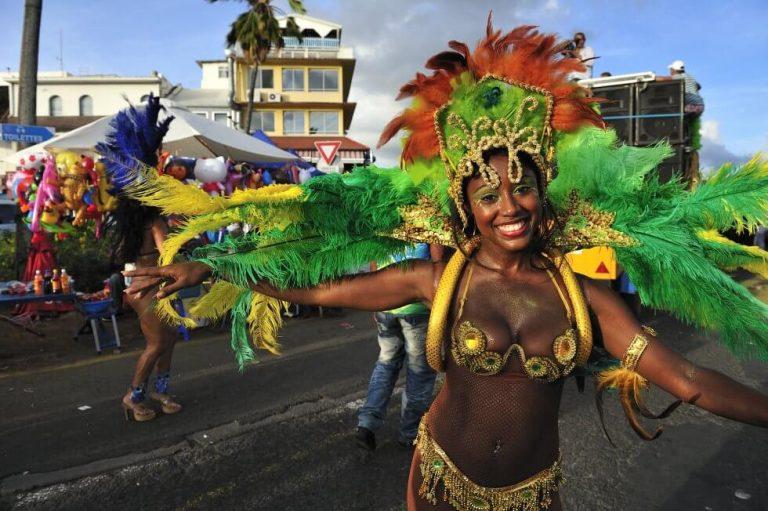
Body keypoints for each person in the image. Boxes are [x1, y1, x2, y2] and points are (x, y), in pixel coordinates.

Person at [125, 20, 768, 510]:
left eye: (521, 187)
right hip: (439, 485)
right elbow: (321, 287)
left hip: (531, 496)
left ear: (543, 191)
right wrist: (212, 269)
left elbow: (686, 379)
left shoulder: (584, 298)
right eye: (488, 194)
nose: (508, 206)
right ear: (466, 205)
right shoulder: (439, 280)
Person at [98, 96, 182, 422]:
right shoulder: (154, 222)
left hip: (141, 286)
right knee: (159, 341)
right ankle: (133, 397)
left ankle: (160, 390)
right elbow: (170, 255)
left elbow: (120, 257)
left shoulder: (132, 223)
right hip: (147, 289)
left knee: (169, 338)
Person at [356, 243, 437, 452]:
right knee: (420, 373)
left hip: (386, 305)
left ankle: (366, 424)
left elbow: (375, 265)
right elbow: (438, 269)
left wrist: (376, 302)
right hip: (417, 310)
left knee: (386, 363)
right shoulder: (428, 221)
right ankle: (410, 433)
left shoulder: (388, 220)